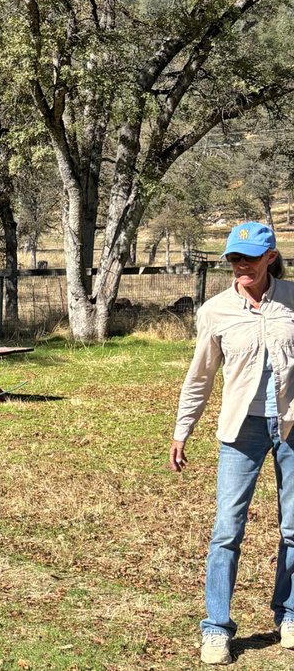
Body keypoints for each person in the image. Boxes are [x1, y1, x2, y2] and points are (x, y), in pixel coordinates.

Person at [169, 222, 294, 665]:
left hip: (291, 428)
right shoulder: (216, 311)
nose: (241, 266)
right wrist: (183, 429)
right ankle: (217, 627)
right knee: (227, 531)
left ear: (270, 257)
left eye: (250, 257)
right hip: (240, 432)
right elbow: (200, 376)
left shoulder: (293, 300)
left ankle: (290, 613)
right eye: (233, 259)